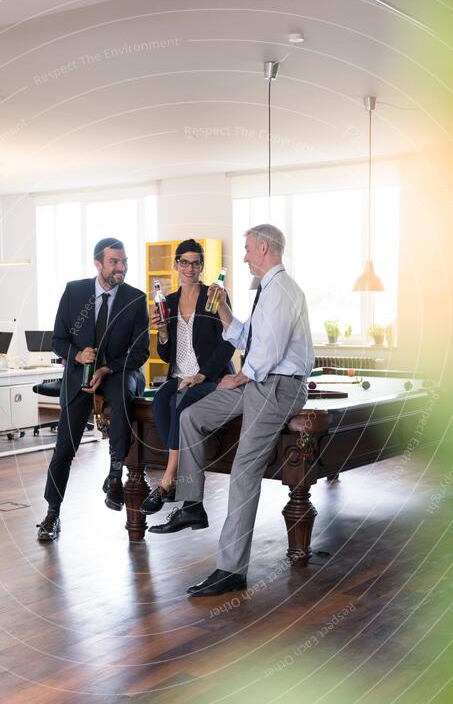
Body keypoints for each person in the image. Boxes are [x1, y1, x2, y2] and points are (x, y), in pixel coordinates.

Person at [149, 224, 315, 597]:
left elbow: (268, 353)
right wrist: (222, 309)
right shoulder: (268, 291)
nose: (243, 258)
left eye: (247, 250)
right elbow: (248, 338)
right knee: (192, 417)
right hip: (260, 381)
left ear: (264, 248)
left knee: (244, 468)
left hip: (278, 386)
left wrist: (239, 378)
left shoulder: (282, 290)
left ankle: (231, 569)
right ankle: (192, 502)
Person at [37, 237, 149, 541]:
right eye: (114, 262)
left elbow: (140, 353)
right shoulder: (74, 292)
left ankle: (115, 475)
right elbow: (57, 339)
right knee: (64, 449)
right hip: (78, 375)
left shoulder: (136, 299)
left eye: (124, 261)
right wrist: (76, 355)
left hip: (118, 371)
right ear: (98, 263)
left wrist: (105, 367)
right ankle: (51, 514)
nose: (121, 267)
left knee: (123, 394)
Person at [141, 239, 235, 513]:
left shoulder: (214, 296)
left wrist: (203, 375)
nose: (190, 268)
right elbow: (167, 354)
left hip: (210, 379)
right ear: (176, 265)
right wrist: (164, 333)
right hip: (178, 376)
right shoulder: (168, 302)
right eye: (184, 262)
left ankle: (167, 481)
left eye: (196, 263)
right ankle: (177, 474)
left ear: (202, 267)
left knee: (178, 403)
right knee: (160, 401)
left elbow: (229, 343)